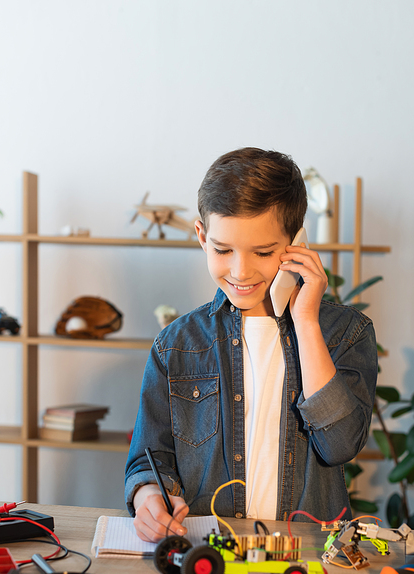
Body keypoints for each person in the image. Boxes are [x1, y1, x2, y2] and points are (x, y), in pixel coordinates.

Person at [125, 147, 377, 543]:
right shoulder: (175, 346)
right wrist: (148, 497)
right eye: (223, 250)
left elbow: (340, 445)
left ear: (298, 244)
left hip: (306, 554)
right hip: (209, 553)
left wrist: (306, 321)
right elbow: (149, 458)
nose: (240, 271)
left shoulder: (346, 333)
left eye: (262, 252)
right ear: (202, 237)